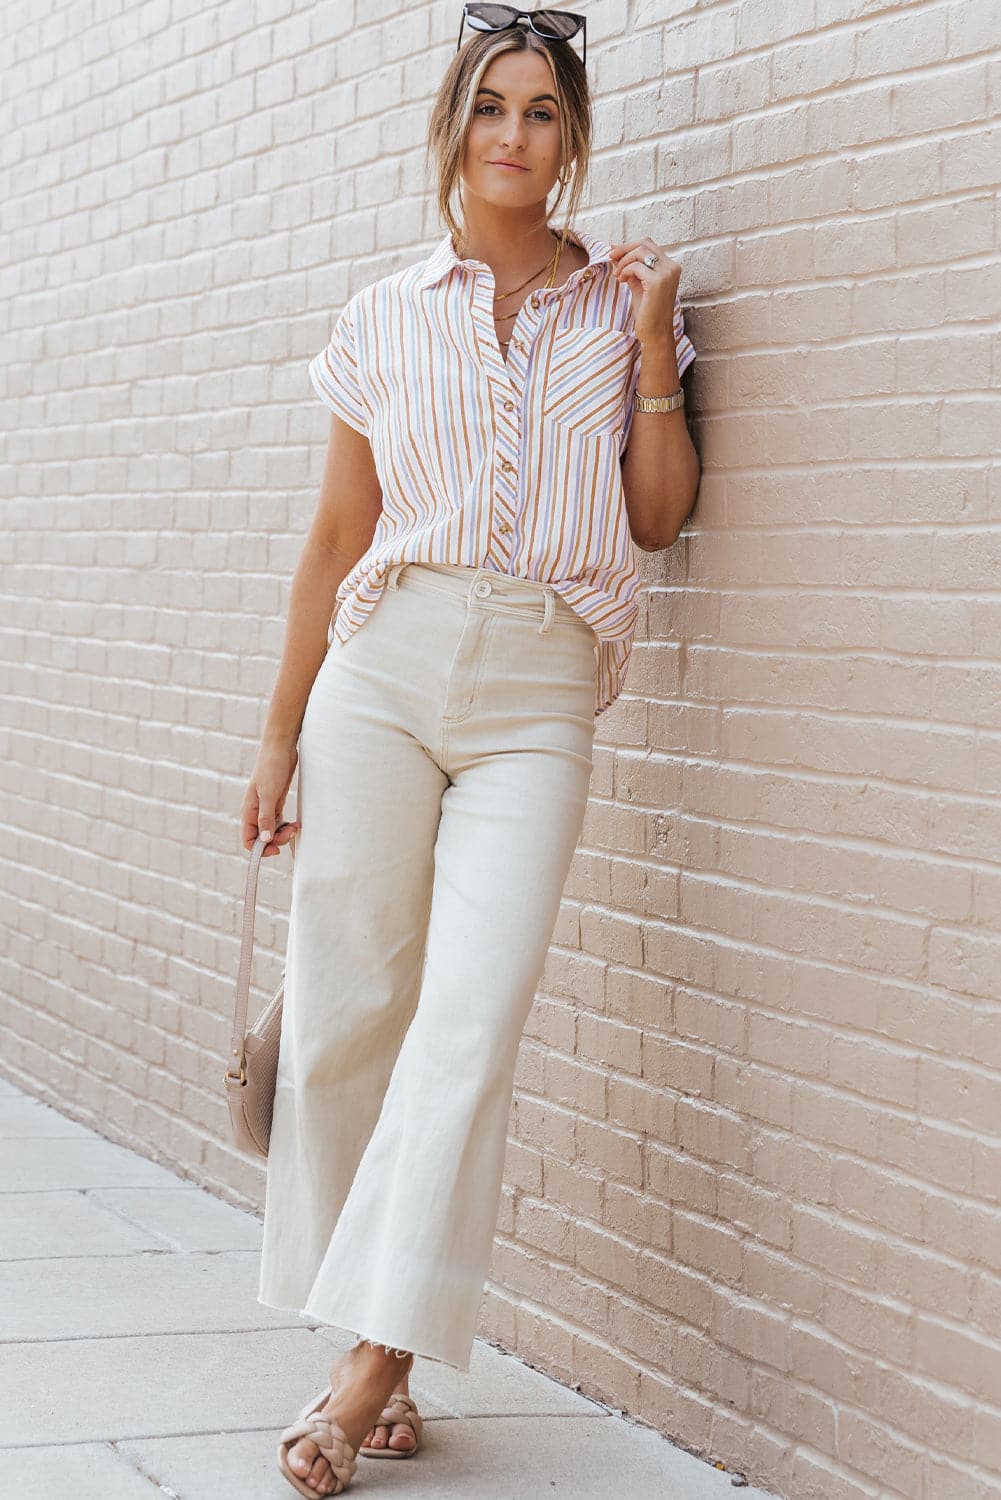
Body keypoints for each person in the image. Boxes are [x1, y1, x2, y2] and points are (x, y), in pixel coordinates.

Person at [242, 8, 700, 1496]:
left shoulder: (617, 304)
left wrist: (645, 353)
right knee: (344, 1016)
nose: (517, 136)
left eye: (544, 113)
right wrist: (275, 739)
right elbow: (333, 541)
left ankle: (373, 1362)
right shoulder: (383, 314)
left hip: (538, 687)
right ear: (454, 125)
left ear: (575, 138)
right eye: (492, 107)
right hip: (383, 670)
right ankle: (360, 1316)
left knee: (472, 1014)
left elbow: (654, 514)